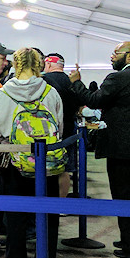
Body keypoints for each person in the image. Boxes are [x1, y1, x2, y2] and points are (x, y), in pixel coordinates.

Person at [69, 41, 130, 258]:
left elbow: (94, 100)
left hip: (121, 149)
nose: (112, 57)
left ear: (129, 56)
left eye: (115, 53)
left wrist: (77, 83)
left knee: (122, 195)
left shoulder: (117, 78)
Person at [0, 48, 64, 258]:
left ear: (15, 64)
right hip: (46, 162)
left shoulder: (5, 93)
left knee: (15, 217)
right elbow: (59, 127)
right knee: (48, 216)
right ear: (39, 64)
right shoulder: (50, 92)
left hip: (14, 162)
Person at [42, 52, 81, 198]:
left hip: (48, 131)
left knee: (46, 169)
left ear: (49, 64)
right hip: (70, 129)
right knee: (65, 169)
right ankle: (62, 206)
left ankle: (46, 204)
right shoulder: (72, 81)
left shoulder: (44, 81)